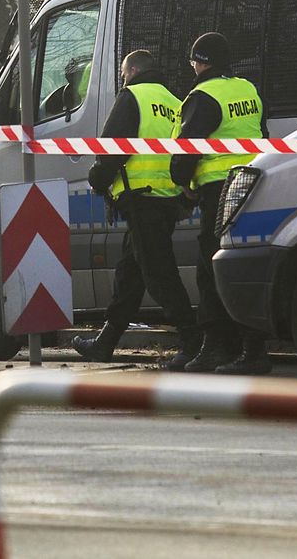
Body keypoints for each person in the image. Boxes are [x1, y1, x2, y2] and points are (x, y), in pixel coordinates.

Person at [77, 50, 201, 370]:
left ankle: (193, 341)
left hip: (142, 198)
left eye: (122, 74)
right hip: (168, 200)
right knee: (130, 275)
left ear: (131, 71)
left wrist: (97, 179)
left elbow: (112, 149)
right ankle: (105, 342)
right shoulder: (175, 101)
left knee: (159, 275)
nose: (122, 79)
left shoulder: (132, 96)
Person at [170, 32, 271, 375]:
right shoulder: (247, 89)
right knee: (244, 264)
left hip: (219, 189)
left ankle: (215, 348)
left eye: (193, 61)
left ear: (202, 62)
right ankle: (253, 349)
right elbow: (264, 135)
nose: (192, 67)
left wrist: (183, 183)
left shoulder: (203, 95)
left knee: (210, 265)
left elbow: (187, 147)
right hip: (254, 183)